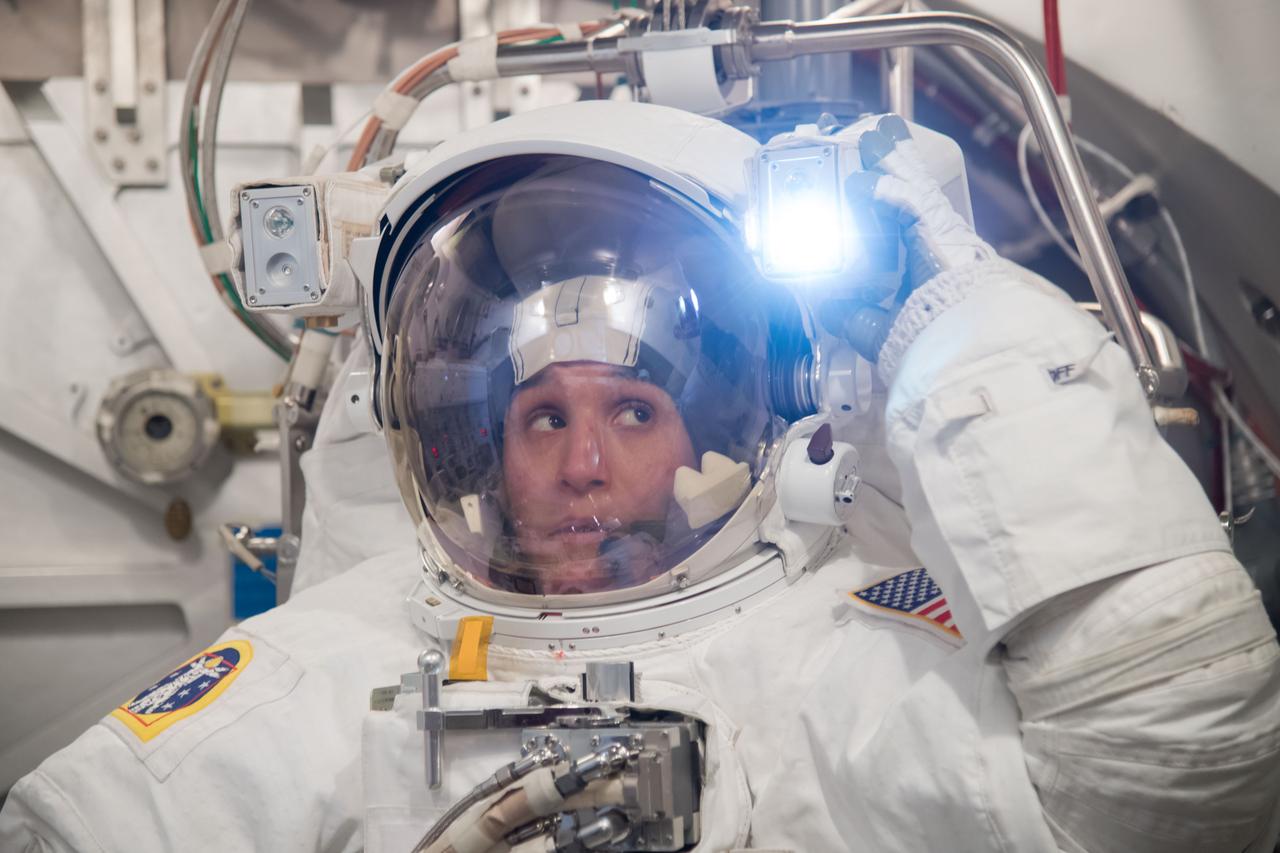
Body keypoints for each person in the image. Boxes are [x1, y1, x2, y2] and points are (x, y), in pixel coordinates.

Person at [3, 100, 1278, 853]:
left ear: (721, 434)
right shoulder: (339, 656)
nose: (586, 462)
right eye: (540, 418)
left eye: (631, 406)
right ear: (476, 449)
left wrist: (953, 322)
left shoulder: (833, 650)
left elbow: (1175, 778)